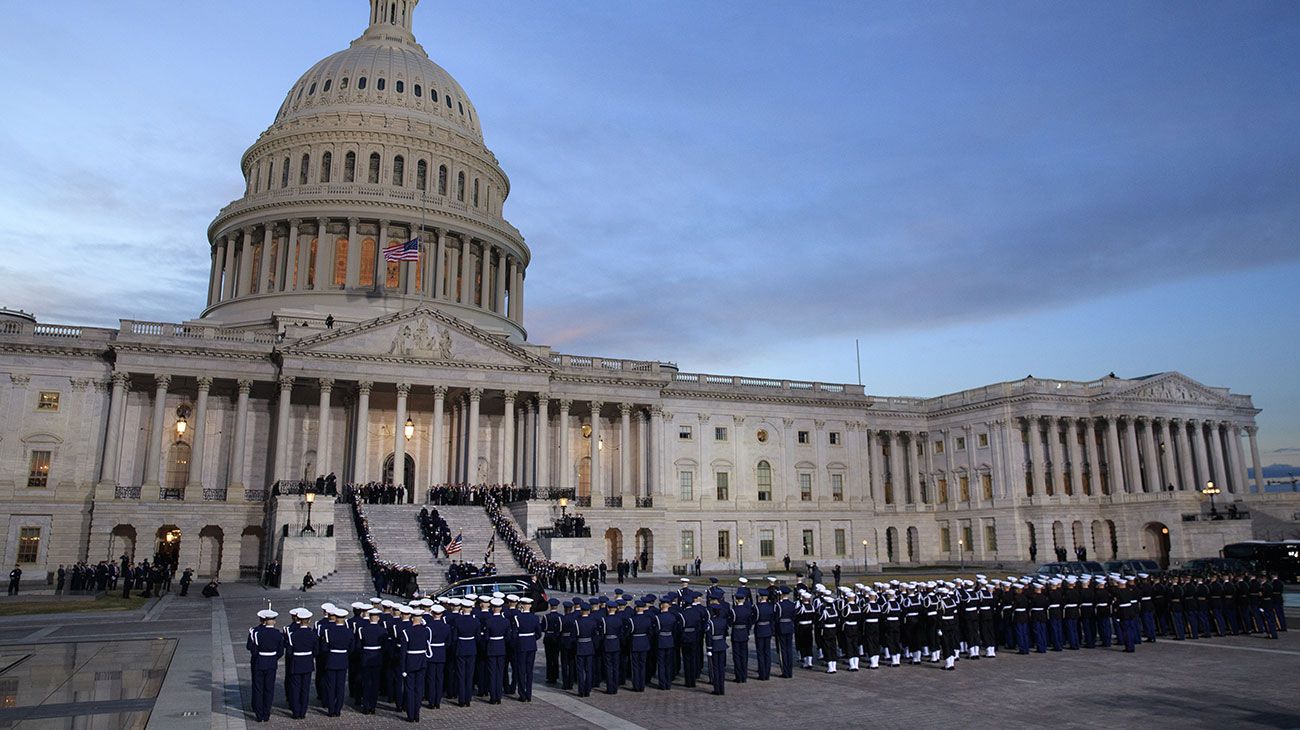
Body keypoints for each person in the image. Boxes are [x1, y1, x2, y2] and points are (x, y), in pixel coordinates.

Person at [247, 609, 284, 723]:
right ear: (273, 621)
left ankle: (259, 714)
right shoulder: (277, 634)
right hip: (271, 663)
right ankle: (266, 713)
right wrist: (272, 658)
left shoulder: (256, 632)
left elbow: (251, 648)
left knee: (258, 688)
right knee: (269, 689)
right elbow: (280, 651)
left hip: (259, 661)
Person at [284, 608, 317, 719]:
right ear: (309, 620)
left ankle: (295, 711)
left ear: (298, 619)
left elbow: (288, 652)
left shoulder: (293, 635)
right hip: (307, 662)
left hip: (296, 662)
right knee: (305, 688)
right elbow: (316, 651)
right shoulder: (313, 634)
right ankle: (303, 711)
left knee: (295, 688)